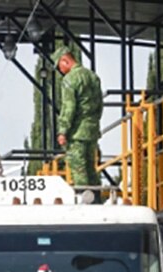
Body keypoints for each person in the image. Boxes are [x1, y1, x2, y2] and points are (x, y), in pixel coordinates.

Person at [51, 46, 104, 190]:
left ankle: (85, 203)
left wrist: (62, 131)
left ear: (65, 61)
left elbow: (69, 107)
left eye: (59, 66)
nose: (59, 70)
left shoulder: (69, 80)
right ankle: (97, 200)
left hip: (76, 133)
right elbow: (99, 104)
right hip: (92, 130)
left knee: (79, 170)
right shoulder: (93, 76)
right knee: (91, 169)